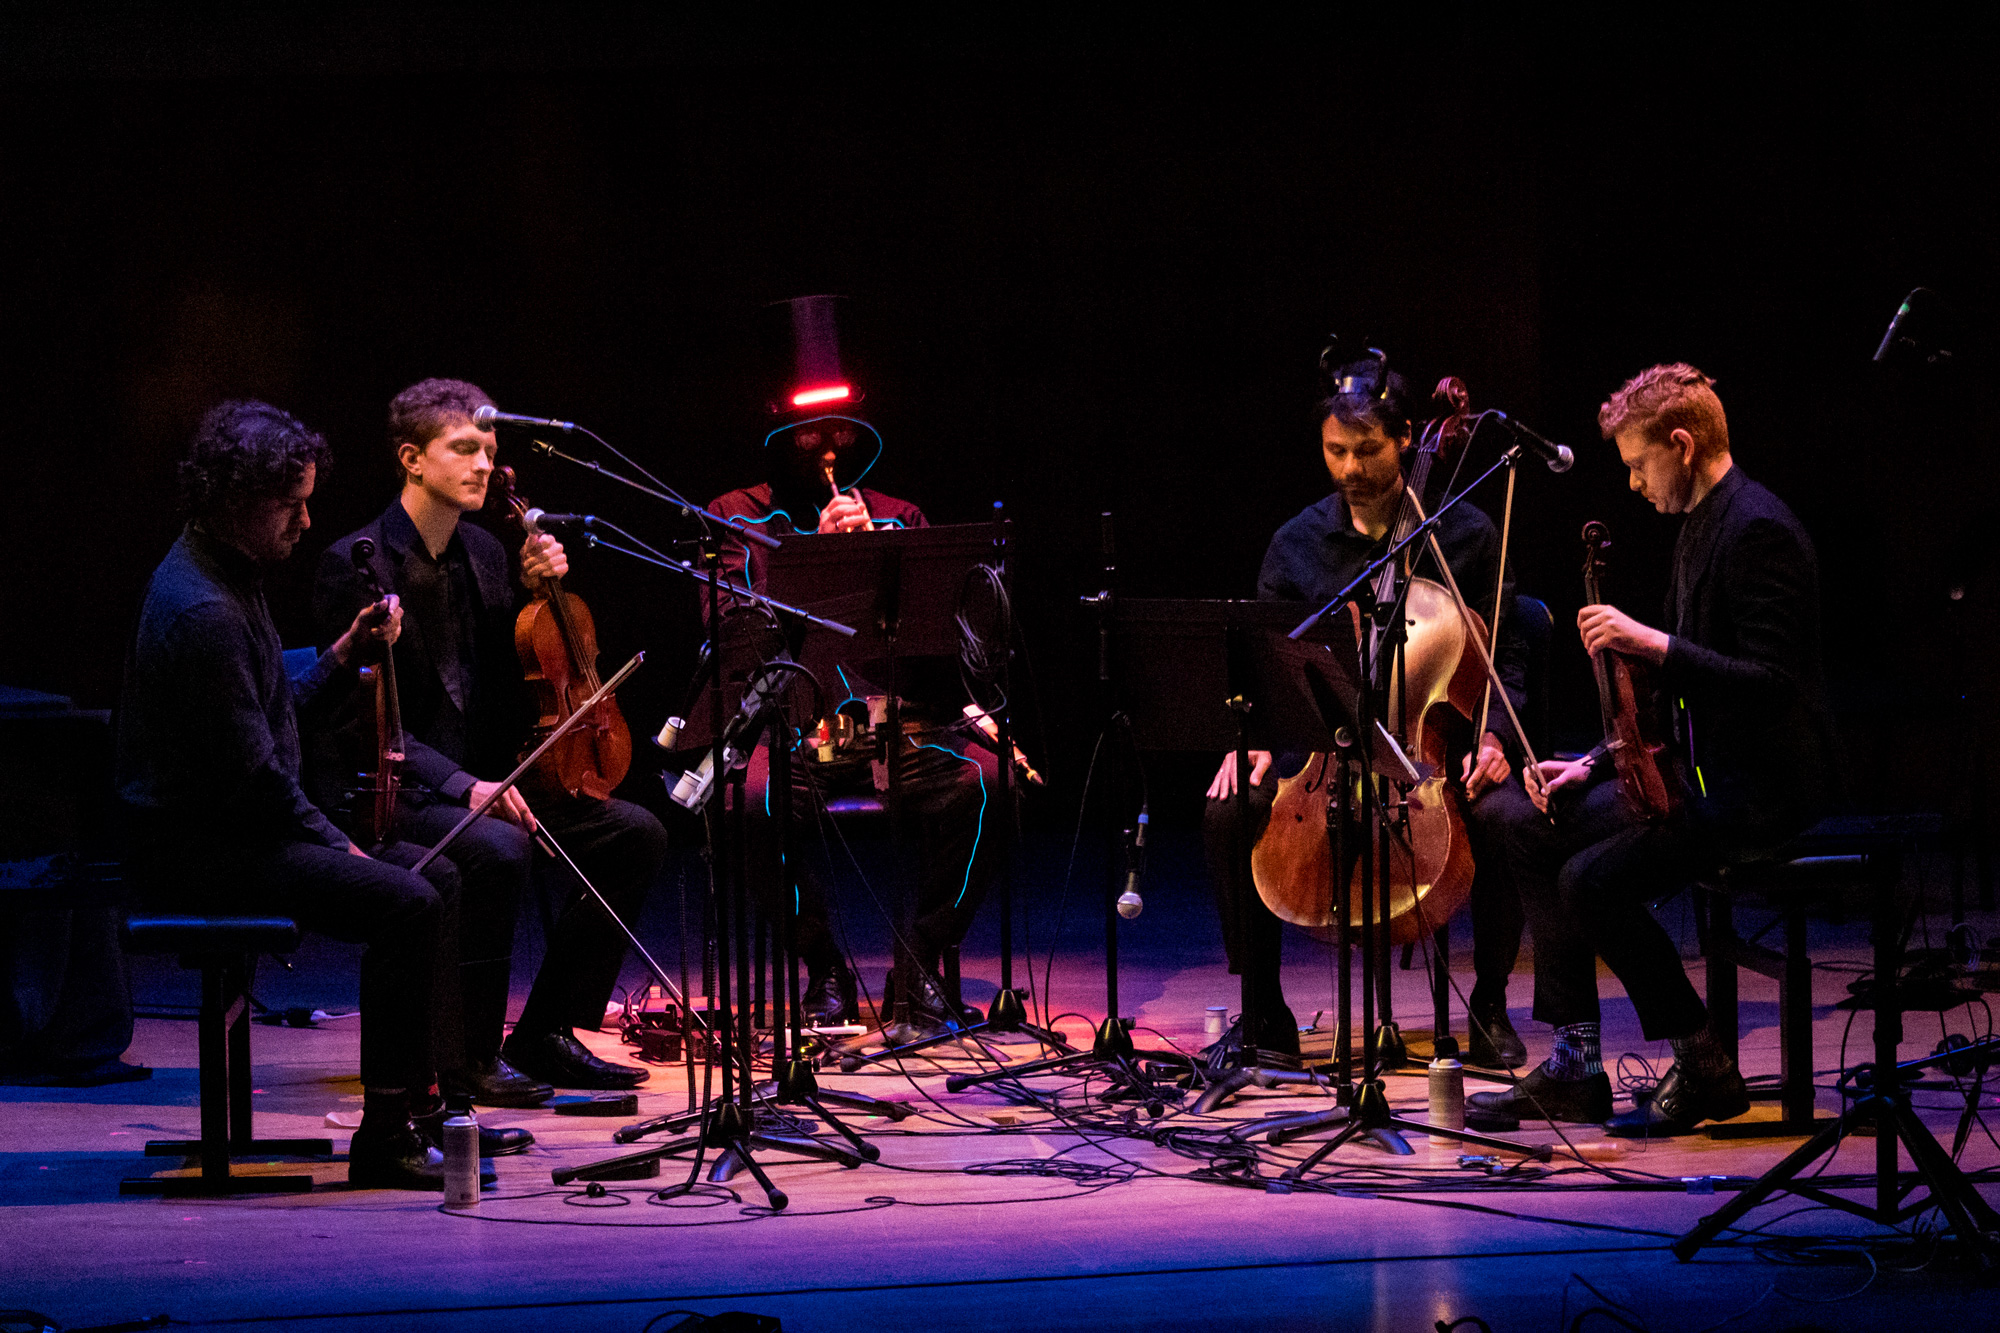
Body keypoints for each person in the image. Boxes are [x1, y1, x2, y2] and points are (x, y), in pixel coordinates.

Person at [117, 399, 526, 1189]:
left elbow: (268, 726)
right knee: (406, 898)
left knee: (435, 875)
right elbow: (256, 778)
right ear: (238, 497)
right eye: (291, 503)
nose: (306, 521)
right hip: (199, 851)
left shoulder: (225, 570)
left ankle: (418, 1107)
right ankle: (384, 1137)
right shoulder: (203, 607)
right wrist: (332, 841)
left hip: (233, 828)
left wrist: (342, 655)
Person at [1467, 363, 1838, 1135]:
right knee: (1530, 822)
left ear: (1683, 443)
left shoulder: (1757, 527)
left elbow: (1773, 684)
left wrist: (1654, 642)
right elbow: (1670, 703)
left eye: (1639, 464)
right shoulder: (1701, 523)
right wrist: (1596, 761)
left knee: (1592, 880)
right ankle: (1574, 1064)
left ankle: (1704, 1061)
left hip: (1761, 784)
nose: (1634, 484)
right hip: (1701, 769)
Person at [311, 379, 667, 1096]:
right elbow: (361, 722)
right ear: (412, 458)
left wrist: (546, 597)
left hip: (487, 781)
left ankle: (546, 1031)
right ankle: (470, 1057)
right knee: (497, 848)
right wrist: (463, 784)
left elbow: (515, 684)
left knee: (636, 832)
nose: (482, 465)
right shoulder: (358, 561)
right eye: (464, 448)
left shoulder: (485, 551)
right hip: (399, 788)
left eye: (490, 450)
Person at [1201, 360, 1532, 1063]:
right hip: (1322, 744)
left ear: (1407, 438)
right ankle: (1264, 1013)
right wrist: (1254, 733)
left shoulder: (1464, 532)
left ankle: (1491, 1007)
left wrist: (1498, 735)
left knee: (1508, 818)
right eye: (1335, 451)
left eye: (1367, 450)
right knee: (1228, 810)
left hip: (1435, 747)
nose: (1350, 467)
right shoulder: (1296, 542)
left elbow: (1508, 651)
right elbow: (1265, 652)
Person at [706, 410, 1001, 1034]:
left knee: (989, 783)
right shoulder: (734, 514)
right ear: (783, 443)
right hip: (793, 725)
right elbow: (731, 633)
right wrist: (820, 555)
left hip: (900, 726)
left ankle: (919, 961)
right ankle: (822, 966)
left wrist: (874, 557)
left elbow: (949, 632)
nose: (827, 451)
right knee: (745, 804)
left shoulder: (902, 516)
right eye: (810, 437)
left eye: (841, 437)